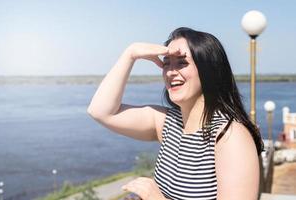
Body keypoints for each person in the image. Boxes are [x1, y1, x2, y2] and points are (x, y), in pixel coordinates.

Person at [87, 27, 263, 200]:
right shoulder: (168, 123)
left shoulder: (229, 136)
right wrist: (130, 53)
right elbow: (100, 111)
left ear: (209, 69)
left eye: (181, 62)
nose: (171, 72)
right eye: (166, 63)